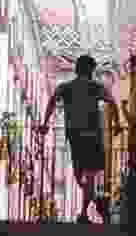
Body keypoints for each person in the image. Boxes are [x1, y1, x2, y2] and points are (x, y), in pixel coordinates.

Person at [39, 55, 123, 224]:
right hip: (92, 136)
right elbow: (112, 103)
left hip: (76, 136)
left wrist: (45, 123)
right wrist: (117, 124)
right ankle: (97, 203)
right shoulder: (95, 87)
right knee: (88, 176)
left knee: (80, 175)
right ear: (91, 71)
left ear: (77, 69)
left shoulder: (66, 87)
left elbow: (51, 102)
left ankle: (85, 212)